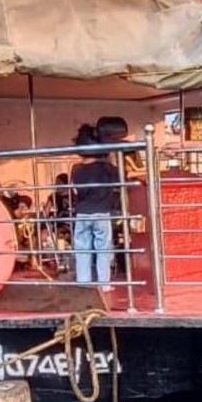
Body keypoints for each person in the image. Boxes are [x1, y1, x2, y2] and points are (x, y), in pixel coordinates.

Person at [69, 122, 120, 291]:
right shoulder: (107, 168)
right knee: (103, 249)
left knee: (82, 249)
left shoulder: (76, 169)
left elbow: (75, 190)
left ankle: (83, 281)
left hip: (82, 213)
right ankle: (104, 283)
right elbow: (119, 179)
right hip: (102, 212)